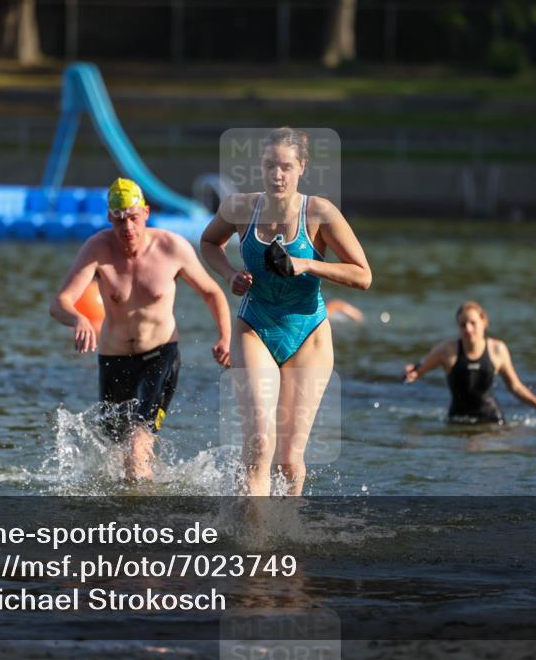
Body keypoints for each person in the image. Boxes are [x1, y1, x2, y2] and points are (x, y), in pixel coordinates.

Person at [200, 127, 372, 496]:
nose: (277, 175)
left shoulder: (320, 213)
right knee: (260, 443)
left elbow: (363, 276)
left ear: (301, 168)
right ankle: (256, 541)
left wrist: (308, 265)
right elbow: (209, 242)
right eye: (269, 166)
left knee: (289, 459)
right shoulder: (239, 208)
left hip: (308, 333)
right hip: (254, 327)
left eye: (286, 167)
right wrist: (230, 274)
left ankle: (287, 534)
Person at [50, 178, 231, 481]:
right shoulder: (98, 249)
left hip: (160, 357)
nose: (128, 228)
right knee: (115, 458)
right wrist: (78, 319)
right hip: (114, 360)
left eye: (134, 218)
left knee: (136, 448)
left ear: (146, 212)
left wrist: (225, 337)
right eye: (119, 220)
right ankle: (155, 489)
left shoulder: (172, 247)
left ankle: (144, 521)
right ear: (110, 218)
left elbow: (212, 292)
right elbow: (60, 302)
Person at [402, 301, 536, 426]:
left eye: (472, 323)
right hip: (458, 422)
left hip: (492, 421)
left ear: (484, 322)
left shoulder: (497, 350)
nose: (468, 329)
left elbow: (516, 387)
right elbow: (417, 371)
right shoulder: (446, 350)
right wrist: (410, 373)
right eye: (463, 325)